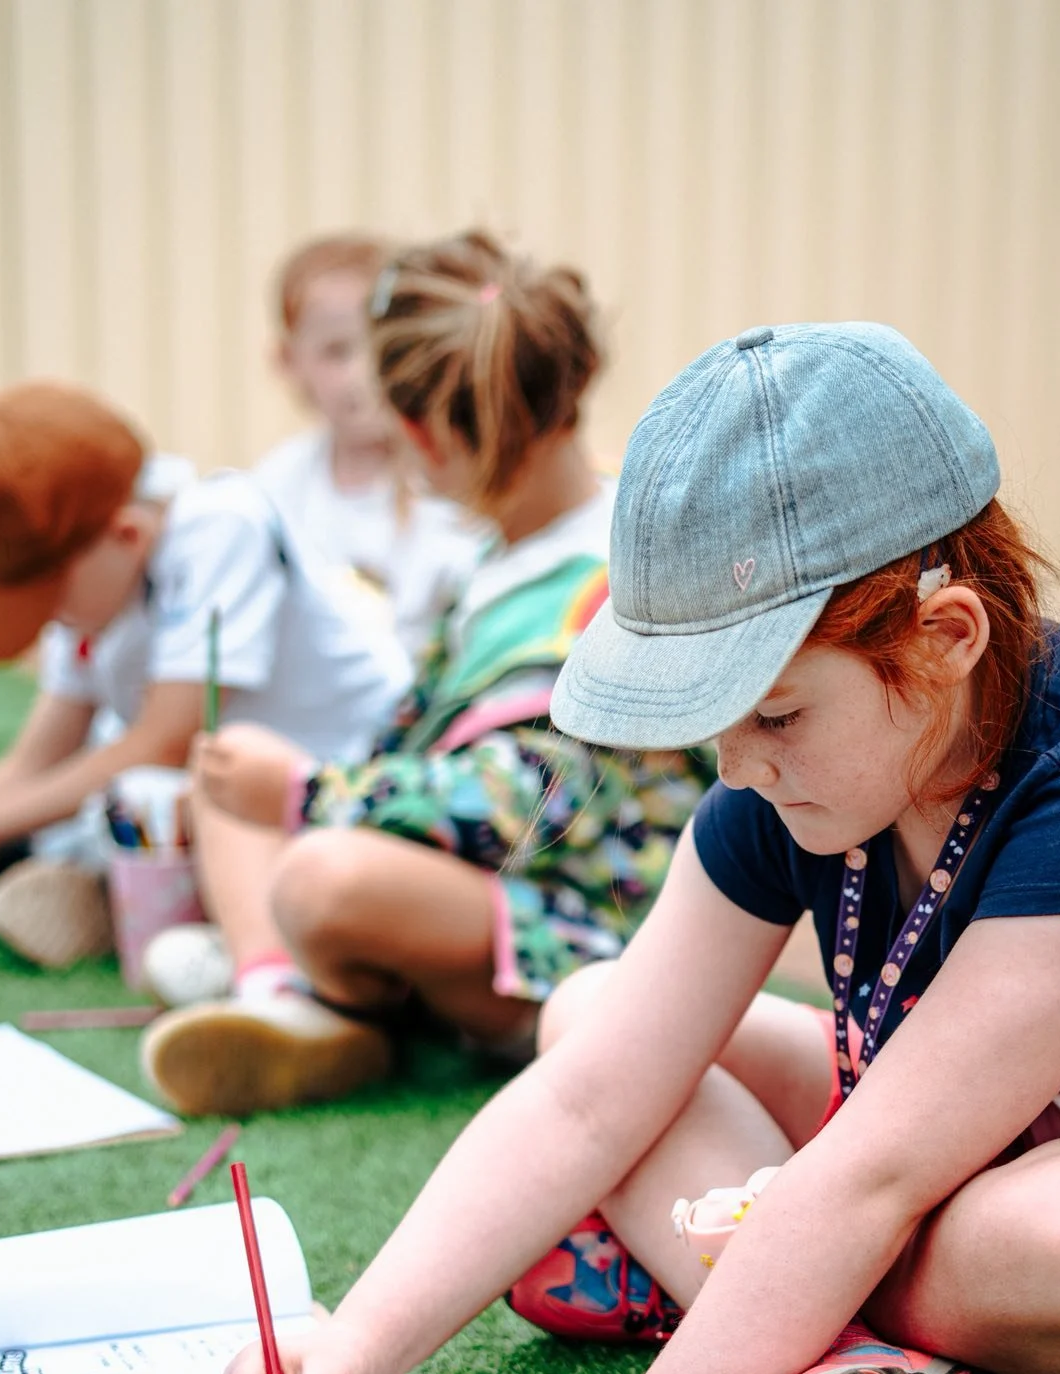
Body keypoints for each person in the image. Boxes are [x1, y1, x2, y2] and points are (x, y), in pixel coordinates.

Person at [218, 320, 1060, 1374]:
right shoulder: (800, 773)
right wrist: (347, 1349)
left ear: (947, 638)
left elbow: (874, 1177)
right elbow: (588, 1098)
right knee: (592, 1014)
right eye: (708, 722)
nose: (733, 766)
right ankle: (858, 1369)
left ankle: (739, 1295)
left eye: (774, 710)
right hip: (946, 1164)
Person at [141, 232, 712, 1117]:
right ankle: (281, 996)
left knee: (320, 872)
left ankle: (332, 1000)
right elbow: (414, 732)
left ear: (423, 433)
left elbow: (519, 811)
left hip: (586, 940)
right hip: (473, 899)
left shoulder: (609, 582)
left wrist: (307, 793)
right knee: (230, 769)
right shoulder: (507, 552)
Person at [0, 383, 409, 967]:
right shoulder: (92, 577)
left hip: (337, 774)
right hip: (215, 791)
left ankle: (185, 923)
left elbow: (164, 740)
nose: (48, 624)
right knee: (111, 803)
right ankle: (96, 888)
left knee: (160, 801)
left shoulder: (220, 527)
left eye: (49, 599)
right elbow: (41, 751)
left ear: (128, 536)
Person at [254, 232, 481, 663]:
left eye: (380, 349)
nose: (364, 374)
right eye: (336, 352)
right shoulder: (278, 485)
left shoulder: (448, 482)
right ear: (288, 360)